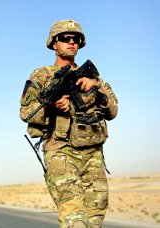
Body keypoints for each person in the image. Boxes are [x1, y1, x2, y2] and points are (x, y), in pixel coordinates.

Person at [20, 19, 118, 228]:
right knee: (75, 220)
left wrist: (97, 89)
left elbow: (113, 111)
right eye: (65, 38)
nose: (71, 42)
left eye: (76, 39)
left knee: (94, 220)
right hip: (61, 151)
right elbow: (26, 113)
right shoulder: (41, 75)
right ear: (54, 44)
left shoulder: (93, 76)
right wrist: (51, 107)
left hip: (93, 153)